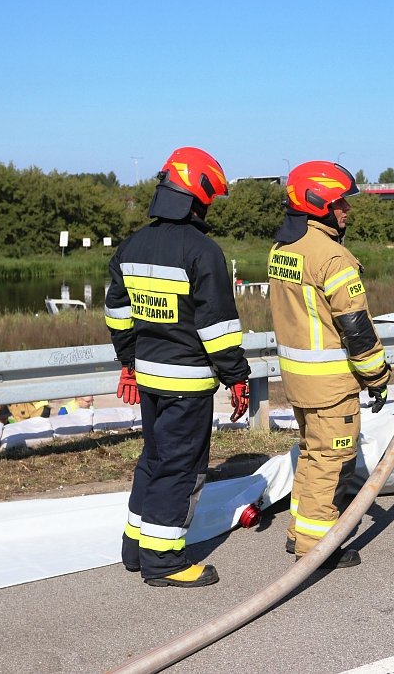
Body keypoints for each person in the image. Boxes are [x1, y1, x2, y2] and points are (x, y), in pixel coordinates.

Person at [104, 146, 251, 588]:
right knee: (181, 468)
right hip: (187, 382)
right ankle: (164, 561)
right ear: (197, 197)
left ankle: (136, 547)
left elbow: (117, 315)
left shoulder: (132, 246)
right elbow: (218, 327)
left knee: (153, 459)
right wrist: (237, 376)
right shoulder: (202, 251)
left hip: (147, 377)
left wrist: (128, 363)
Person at [269, 160, 391, 569]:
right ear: (319, 203)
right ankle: (315, 549)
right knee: (332, 461)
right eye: (341, 203)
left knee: (311, 454)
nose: (347, 211)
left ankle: (299, 532)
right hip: (330, 384)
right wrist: (377, 375)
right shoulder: (334, 258)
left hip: (298, 379)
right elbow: (356, 329)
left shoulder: (282, 248)